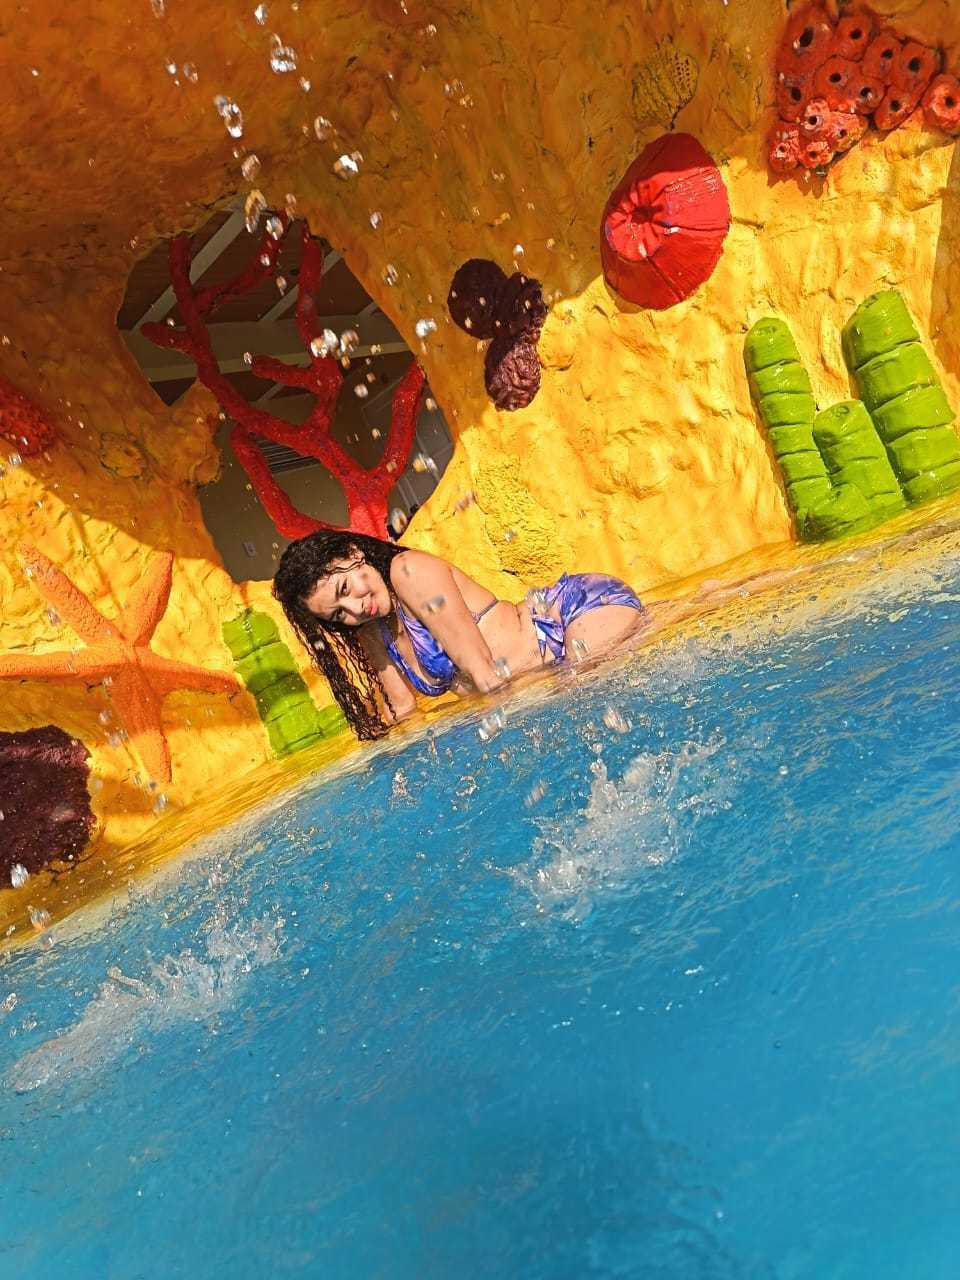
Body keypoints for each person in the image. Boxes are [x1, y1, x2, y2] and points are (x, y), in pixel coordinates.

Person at [272, 529, 647, 739]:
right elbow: (401, 712)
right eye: (339, 614)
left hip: (577, 614)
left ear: (354, 554)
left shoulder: (408, 572)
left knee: (588, 693)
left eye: (344, 589)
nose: (355, 608)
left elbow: (486, 674)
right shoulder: (373, 628)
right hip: (546, 669)